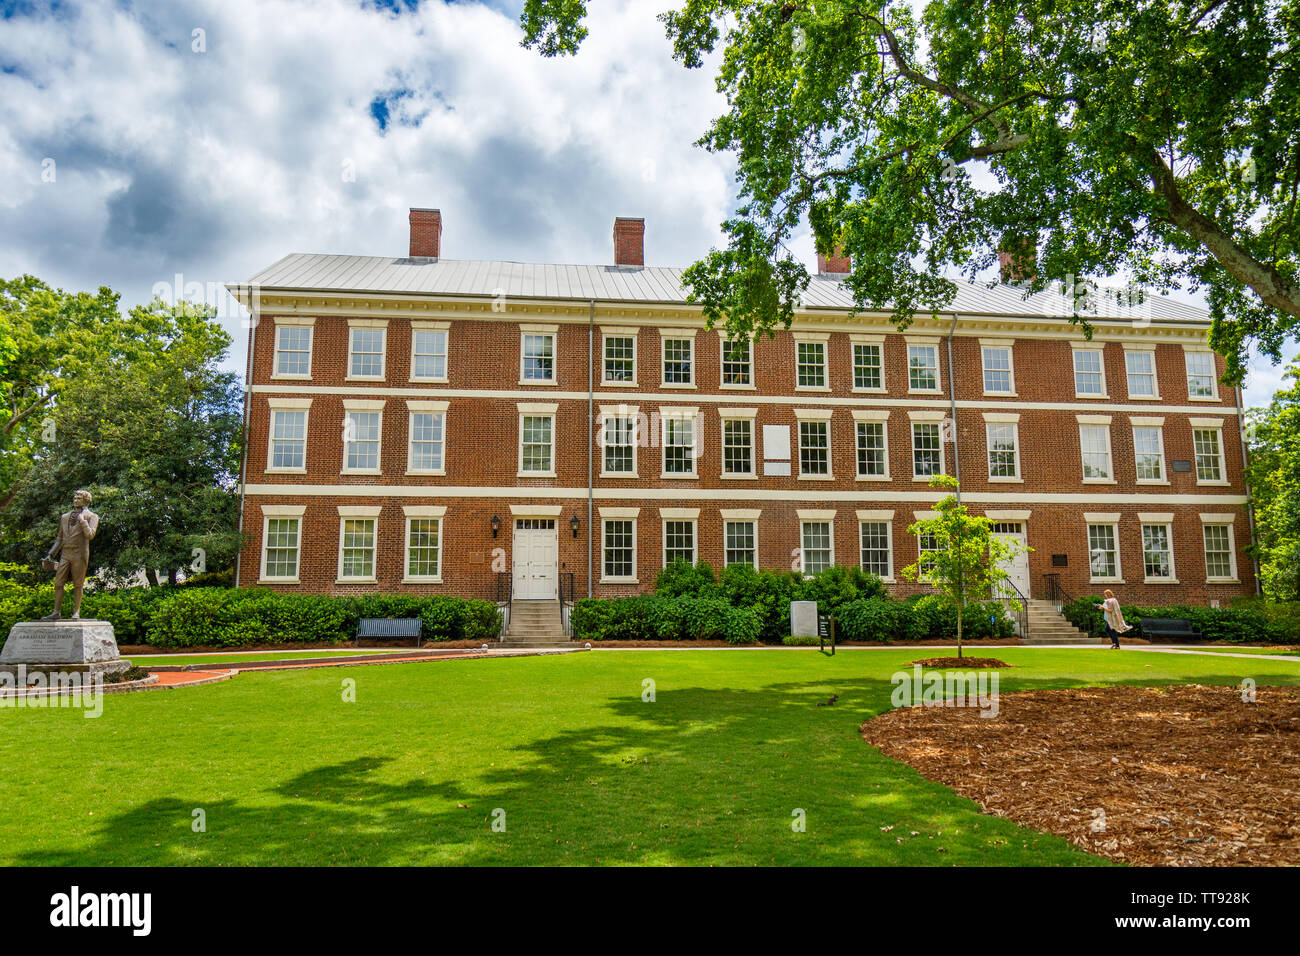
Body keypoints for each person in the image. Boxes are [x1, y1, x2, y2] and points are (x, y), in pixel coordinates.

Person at [40, 489, 99, 622]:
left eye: (79, 498)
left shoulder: (92, 516)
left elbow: (90, 535)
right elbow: (59, 539)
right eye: (75, 497)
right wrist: (51, 554)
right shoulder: (65, 517)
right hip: (65, 554)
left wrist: (82, 521)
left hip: (80, 554)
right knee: (58, 583)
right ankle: (56, 612)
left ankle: (76, 612)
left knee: (78, 584)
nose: (75, 500)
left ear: (86, 501)